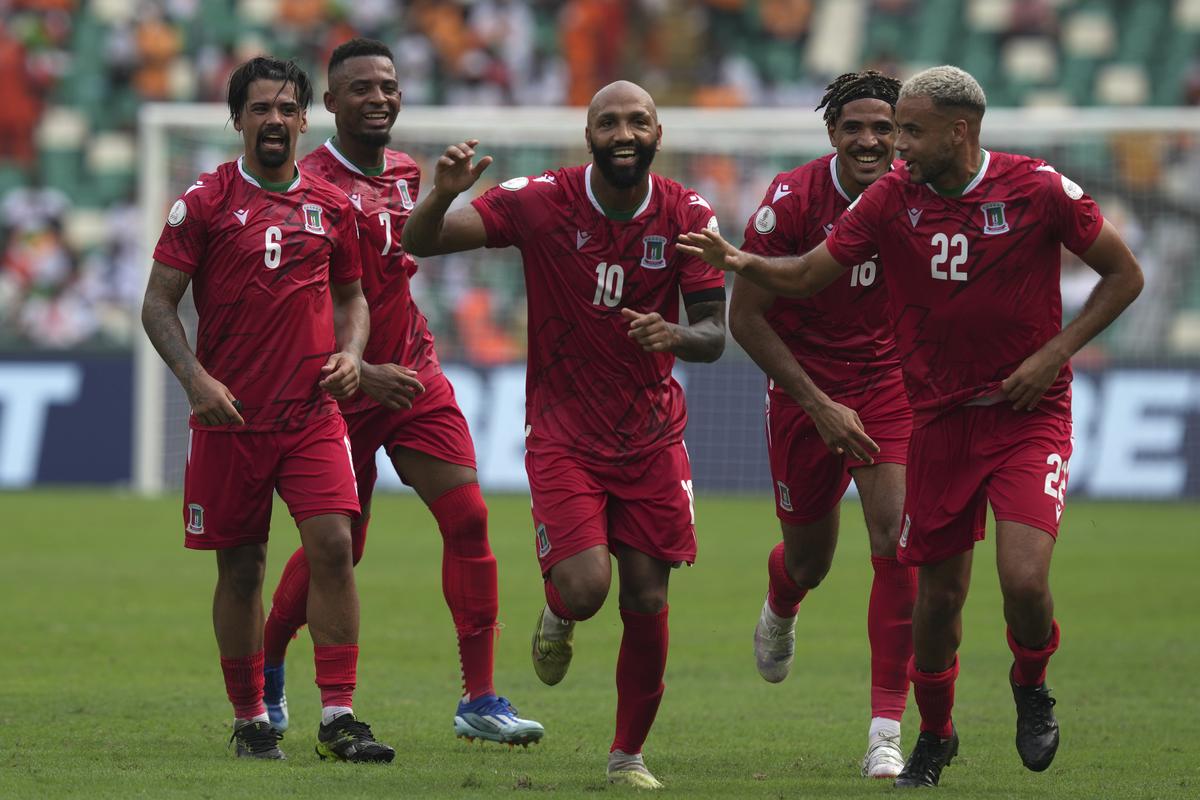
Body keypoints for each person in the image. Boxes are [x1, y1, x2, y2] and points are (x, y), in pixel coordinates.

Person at [679, 65, 1143, 788]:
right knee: (824, 564)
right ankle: (798, 611)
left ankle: (901, 730)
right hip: (853, 396)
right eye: (864, 129)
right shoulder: (836, 199)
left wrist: (1052, 354)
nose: (885, 144)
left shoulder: (1030, 187)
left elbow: (1123, 272)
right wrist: (740, 265)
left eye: (899, 129)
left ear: (953, 131)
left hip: (945, 398)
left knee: (949, 563)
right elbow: (790, 285)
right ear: (832, 134)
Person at [402, 80, 727, 789]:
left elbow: (714, 334)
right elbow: (419, 241)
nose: (623, 132)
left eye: (637, 120)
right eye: (608, 121)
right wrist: (441, 193)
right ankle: (556, 614)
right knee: (586, 590)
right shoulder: (541, 199)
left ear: (657, 134)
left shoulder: (687, 213)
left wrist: (674, 331)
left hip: (651, 435)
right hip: (565, 433)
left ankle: (626, 756)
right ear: (588, 135)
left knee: (646, 598)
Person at [261, 37, 544, 746]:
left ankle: (478, 698)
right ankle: (266, 661)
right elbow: (298, 299)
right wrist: (356, 364)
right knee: (342, 549)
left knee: (471, 519)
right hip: (338, 387)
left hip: (414, 374)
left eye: (388, 85)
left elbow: (404, 264)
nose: (380, 97)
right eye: (361, 88)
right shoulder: (307, 185)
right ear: (329, 104)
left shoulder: (409, 173)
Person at [141, 56, 395, 763]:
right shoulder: (206, 201)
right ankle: (252, 718)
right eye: (260, 109)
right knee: (243, 569)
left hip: (312, 415)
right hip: (229, 418)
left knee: (335, 548)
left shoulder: (332, 204)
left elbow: (353, 299)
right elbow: (158, 304)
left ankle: (339, 715)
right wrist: (195, 381)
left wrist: (352, 353)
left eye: (287, 109)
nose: (275, 120)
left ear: (304, 119)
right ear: (238, 120)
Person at [733, 70, 915, 779]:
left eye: (884, 128)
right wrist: (815, 402)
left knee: (896, 542)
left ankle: (884, 730)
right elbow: (744, 316)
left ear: (901, 133)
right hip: (804, 390)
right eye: (855, 128)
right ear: (832, 134)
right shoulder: (790, 204)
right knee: (810, 559)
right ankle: (782, 599)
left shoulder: (918, 193)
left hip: (888, 383)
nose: (870, 141)